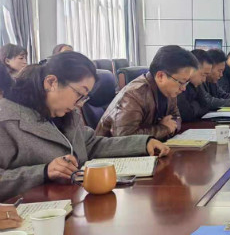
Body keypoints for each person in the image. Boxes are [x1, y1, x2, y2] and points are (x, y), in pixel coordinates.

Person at [0, 52, 169, 201]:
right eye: (79, 94)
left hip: (71, 201)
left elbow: (91, 144)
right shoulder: (7, 120)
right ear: (51, 82)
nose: (80, 104)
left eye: (84, 97)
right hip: (30, 214)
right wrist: (44, 171)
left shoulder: (66, 114)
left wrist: (143, 143)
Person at [96, 45, 198, 140]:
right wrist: (163, 129)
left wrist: (170, 127)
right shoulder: (134, 94)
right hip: (113, 153)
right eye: (181, 82)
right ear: (160, 76)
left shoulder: (169, 91)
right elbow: (124, 138)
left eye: (186, 82)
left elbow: (176, 118)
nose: (183, 88)